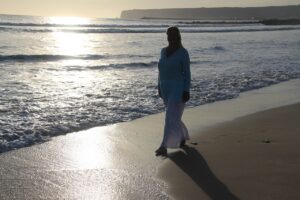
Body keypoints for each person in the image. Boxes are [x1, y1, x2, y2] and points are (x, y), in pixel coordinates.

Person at [155, 26, 191, 156]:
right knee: (174, 117)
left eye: (173, 35)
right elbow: (160, 71)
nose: (170, 37)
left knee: (170, 117)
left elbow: (187, 74)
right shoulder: (163, 51)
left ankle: (163, 146)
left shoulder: (183, 52)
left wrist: (186, 90)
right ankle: (182, 137)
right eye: (168, 35)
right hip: (165, 89)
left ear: (178, 36)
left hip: (178, 89)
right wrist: (158, 87)